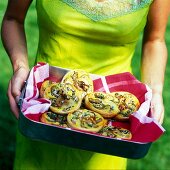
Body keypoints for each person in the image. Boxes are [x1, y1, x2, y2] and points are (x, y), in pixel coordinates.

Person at [1, 0, 169, 169]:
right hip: (45, 109)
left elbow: (154, 40)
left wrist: (155, 90)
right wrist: (20, 66)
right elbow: (13, 19)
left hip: (111, 126)